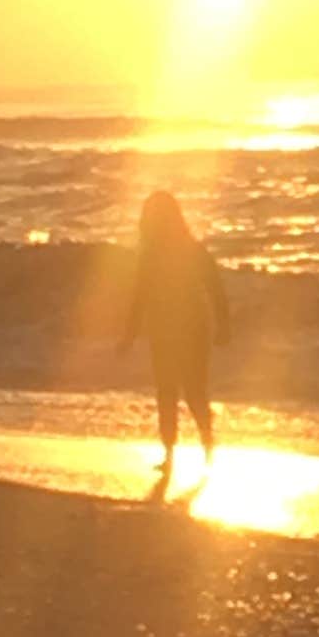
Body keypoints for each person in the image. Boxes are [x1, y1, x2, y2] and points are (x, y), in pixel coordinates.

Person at [124, 188, 226, 497]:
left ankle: (206, 446)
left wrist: (224, 325)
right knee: (168, 392)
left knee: (191, 390)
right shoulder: (160, 254)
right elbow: (140, 298)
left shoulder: (189, 251)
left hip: (191, 328)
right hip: (168, 328)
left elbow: (214, 289)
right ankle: (171, 455)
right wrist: (129, 334)